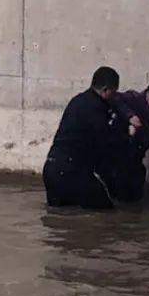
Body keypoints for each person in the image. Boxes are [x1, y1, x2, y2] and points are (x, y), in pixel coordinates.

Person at [43, 66, 123, 210]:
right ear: (106, 90)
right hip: (71, 171)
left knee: (58, 218)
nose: (114, 97)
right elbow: (103, 146)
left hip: (51, 168)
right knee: (106, 212)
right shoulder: (97, 108)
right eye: (114, 92)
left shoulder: (78, 100)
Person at [106, 79, 149, 203]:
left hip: (136, 158)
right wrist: (130, 116)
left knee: (134, 194)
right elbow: (115, 99)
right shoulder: (133, 99)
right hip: (118, 154)